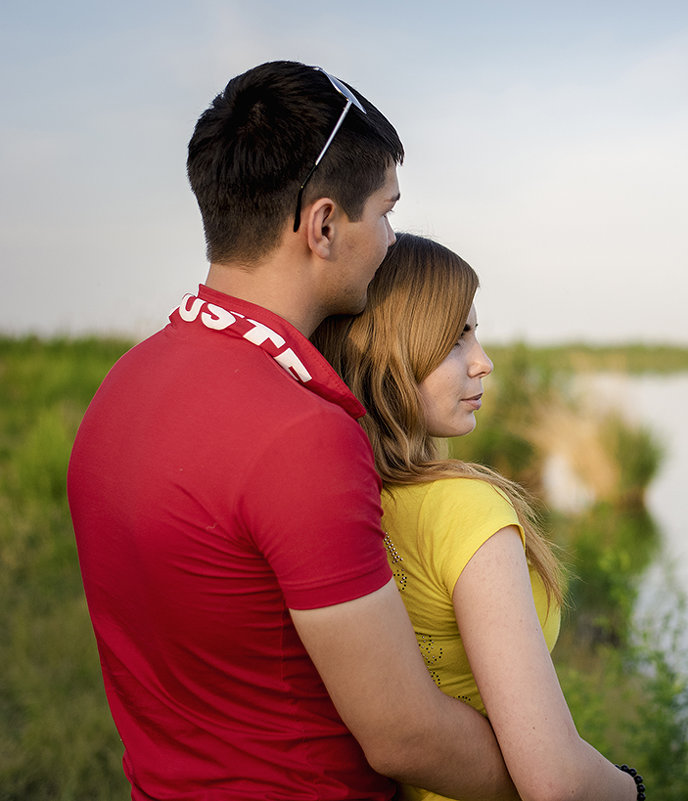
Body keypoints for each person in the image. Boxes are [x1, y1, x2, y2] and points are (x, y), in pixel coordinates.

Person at [67, 61, 519, 801]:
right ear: (324, 225)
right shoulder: (299, 432)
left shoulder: (122, 386)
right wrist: (556, 775)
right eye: (384, 210)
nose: (390, 236)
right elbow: (403, 733)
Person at [312, 233, 645, 801]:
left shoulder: (336, 496)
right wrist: (632, 790)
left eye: (476, 333)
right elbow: (555, 781)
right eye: (455, 338)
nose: (482, 361)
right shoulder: (464, 510)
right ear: (389, 349)